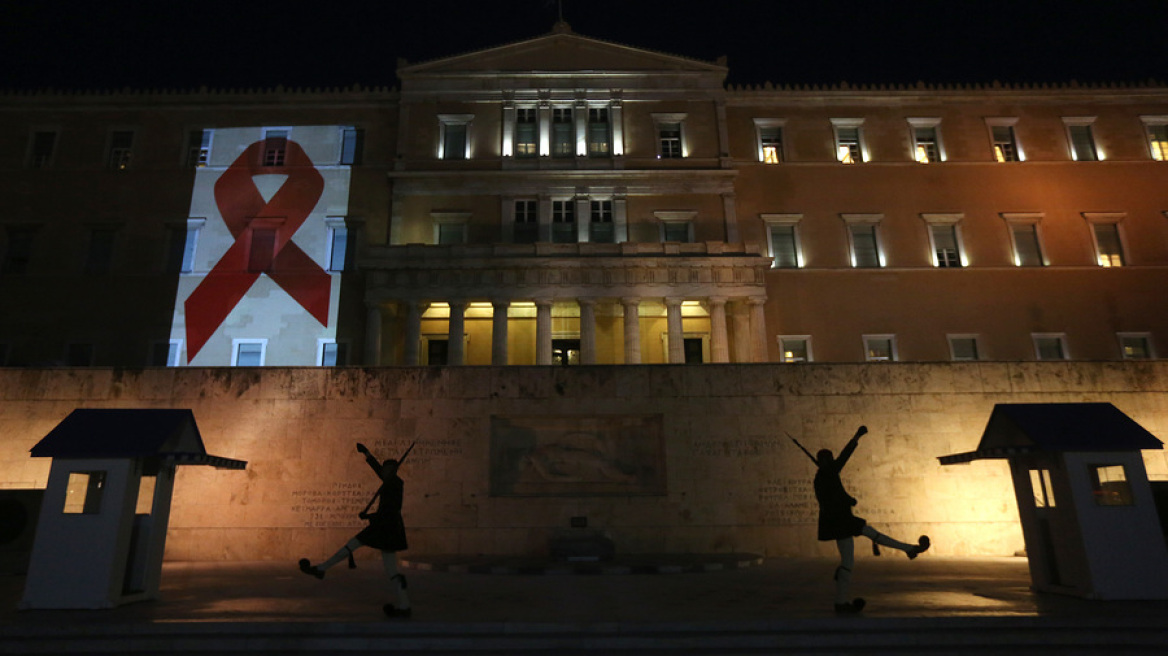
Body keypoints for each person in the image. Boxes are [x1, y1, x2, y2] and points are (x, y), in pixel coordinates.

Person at [810, 425, 930, 614]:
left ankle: (841, 603)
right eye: (828, 459)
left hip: (840, 521)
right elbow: (842, 465)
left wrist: (846, 498)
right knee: (869, 537)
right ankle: (910, 549)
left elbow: (839, 471)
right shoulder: (826, 475)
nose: (831, 461)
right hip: (841, 521)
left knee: (849, 561)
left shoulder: (824, 476)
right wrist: (856, 436)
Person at [299, 442, 412, 619]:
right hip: (385, 527)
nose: (383, 472)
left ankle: (322, 569)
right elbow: (377, 469)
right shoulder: (390, 481)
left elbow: (390, 510)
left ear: (393, 470)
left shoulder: (395, 484)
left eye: (387, 469)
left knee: (383, 564)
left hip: (386, 527)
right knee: (362, 551)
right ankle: (405, 606)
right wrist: (366, 453)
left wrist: (368, 517)